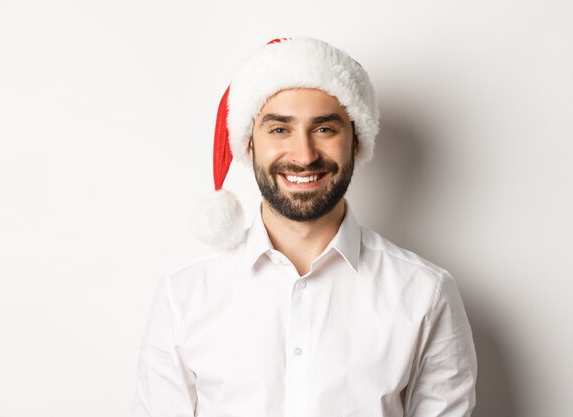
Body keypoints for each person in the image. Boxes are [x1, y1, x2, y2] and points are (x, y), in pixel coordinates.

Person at [131, 37, 477, 417]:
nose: (304, 155)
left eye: (325, 129)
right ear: (248, 145)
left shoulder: (425, 294)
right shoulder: (184, 296)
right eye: (280, 130)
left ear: (357, 143)